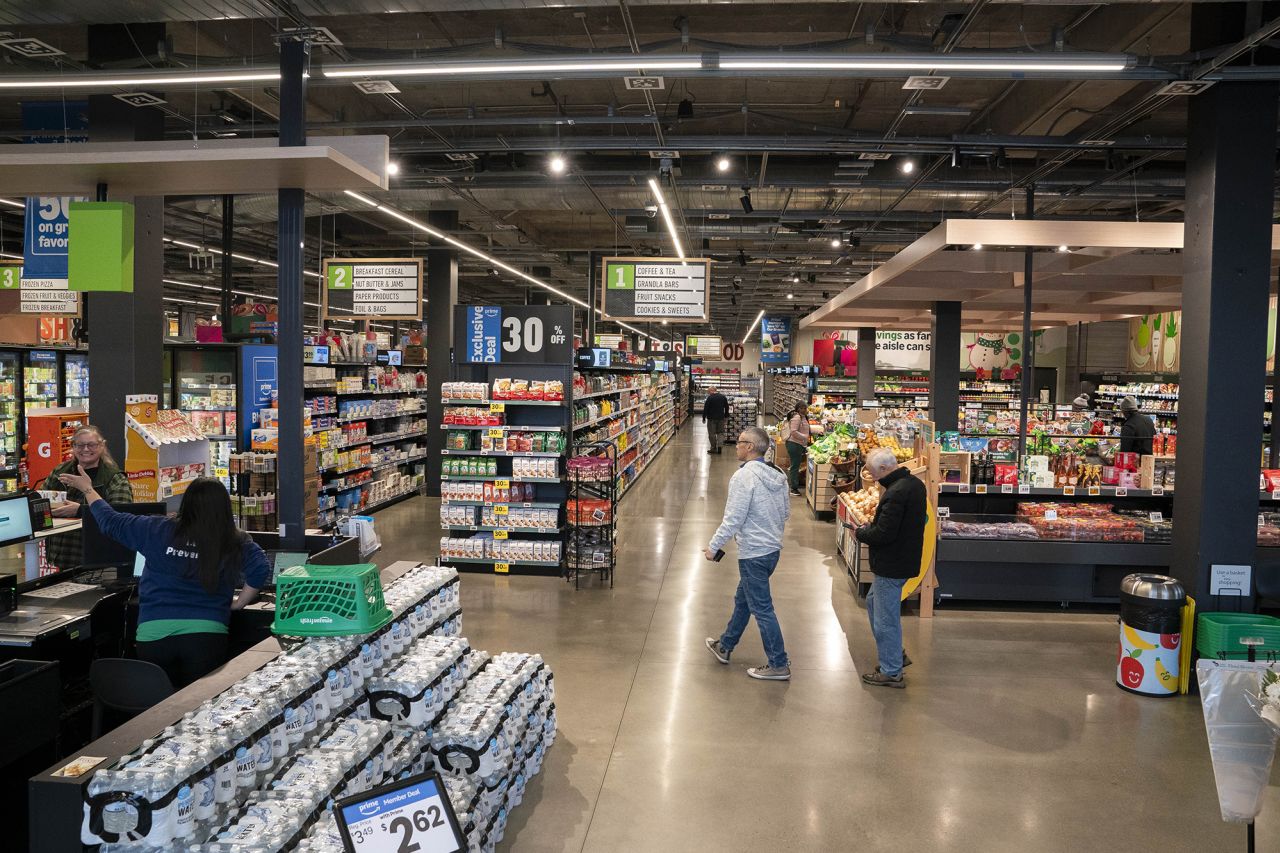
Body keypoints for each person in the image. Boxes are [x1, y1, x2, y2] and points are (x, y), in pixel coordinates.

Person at [57, 471, 269, 688]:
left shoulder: (156, 529)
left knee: (159, 707)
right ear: (225, 508)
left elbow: (109, 521)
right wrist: (240, 603)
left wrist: (88, 490)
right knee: (198, 707)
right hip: (206, 636)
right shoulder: (235, 540)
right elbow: (260, 567)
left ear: (186, 503)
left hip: (153, 637)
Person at [703, 426, 792, 681]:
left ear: (750, 447)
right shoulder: (778, 474)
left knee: (762, 609)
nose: (737, 445)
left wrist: (714, 546)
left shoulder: (743, 477)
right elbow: (785, 513)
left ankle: (778, 663)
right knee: (744, 600)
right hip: (772, 550)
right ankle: (725, 645)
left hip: (753, 552)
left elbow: (733, 518)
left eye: (740, 442)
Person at [855, 447, 928, 689]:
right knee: (875, 602)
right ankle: (897, 655)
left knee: (886, 619)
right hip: (902, 559)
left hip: (892, 564)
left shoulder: (896, 492)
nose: (874, 479)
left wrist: (861, 532)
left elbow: (884, 534)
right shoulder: (914, 484)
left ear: (886, 469)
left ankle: (891, 670)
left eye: (876, 474)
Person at [42, 424, 133, 571]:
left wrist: (80, 510)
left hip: (98, 562)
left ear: (102, 446)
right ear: (73, 446)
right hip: (61, 559)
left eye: (91, 445)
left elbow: (120, 518)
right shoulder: (60, 472)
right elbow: (40, 501)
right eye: (80, 445)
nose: (85, 449)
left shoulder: (115, 478)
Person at [783, 402, 811, 496]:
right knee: (795, 466)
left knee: (796, 465)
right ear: (798, 409)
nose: (804, 410)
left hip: (799, 444)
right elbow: (793, 432)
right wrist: (805, 436)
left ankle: (794, 485)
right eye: (802, 408)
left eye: (805, 408)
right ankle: (793, 489)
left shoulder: (803, 417)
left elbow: (805, 429)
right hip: (794, 444)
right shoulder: (797, 417)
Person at [702, 385, 731, 455]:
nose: (708, 393)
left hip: (711, 419)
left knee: (712, 434)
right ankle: (720, 447)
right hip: (721, 418)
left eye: (709, 391)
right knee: (720, 433)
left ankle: (713, 448)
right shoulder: (723, 397)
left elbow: (706, 408)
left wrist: (703, 417)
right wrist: (726, 415)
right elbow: (727, 407)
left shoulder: (709, 398)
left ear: (712, 390)